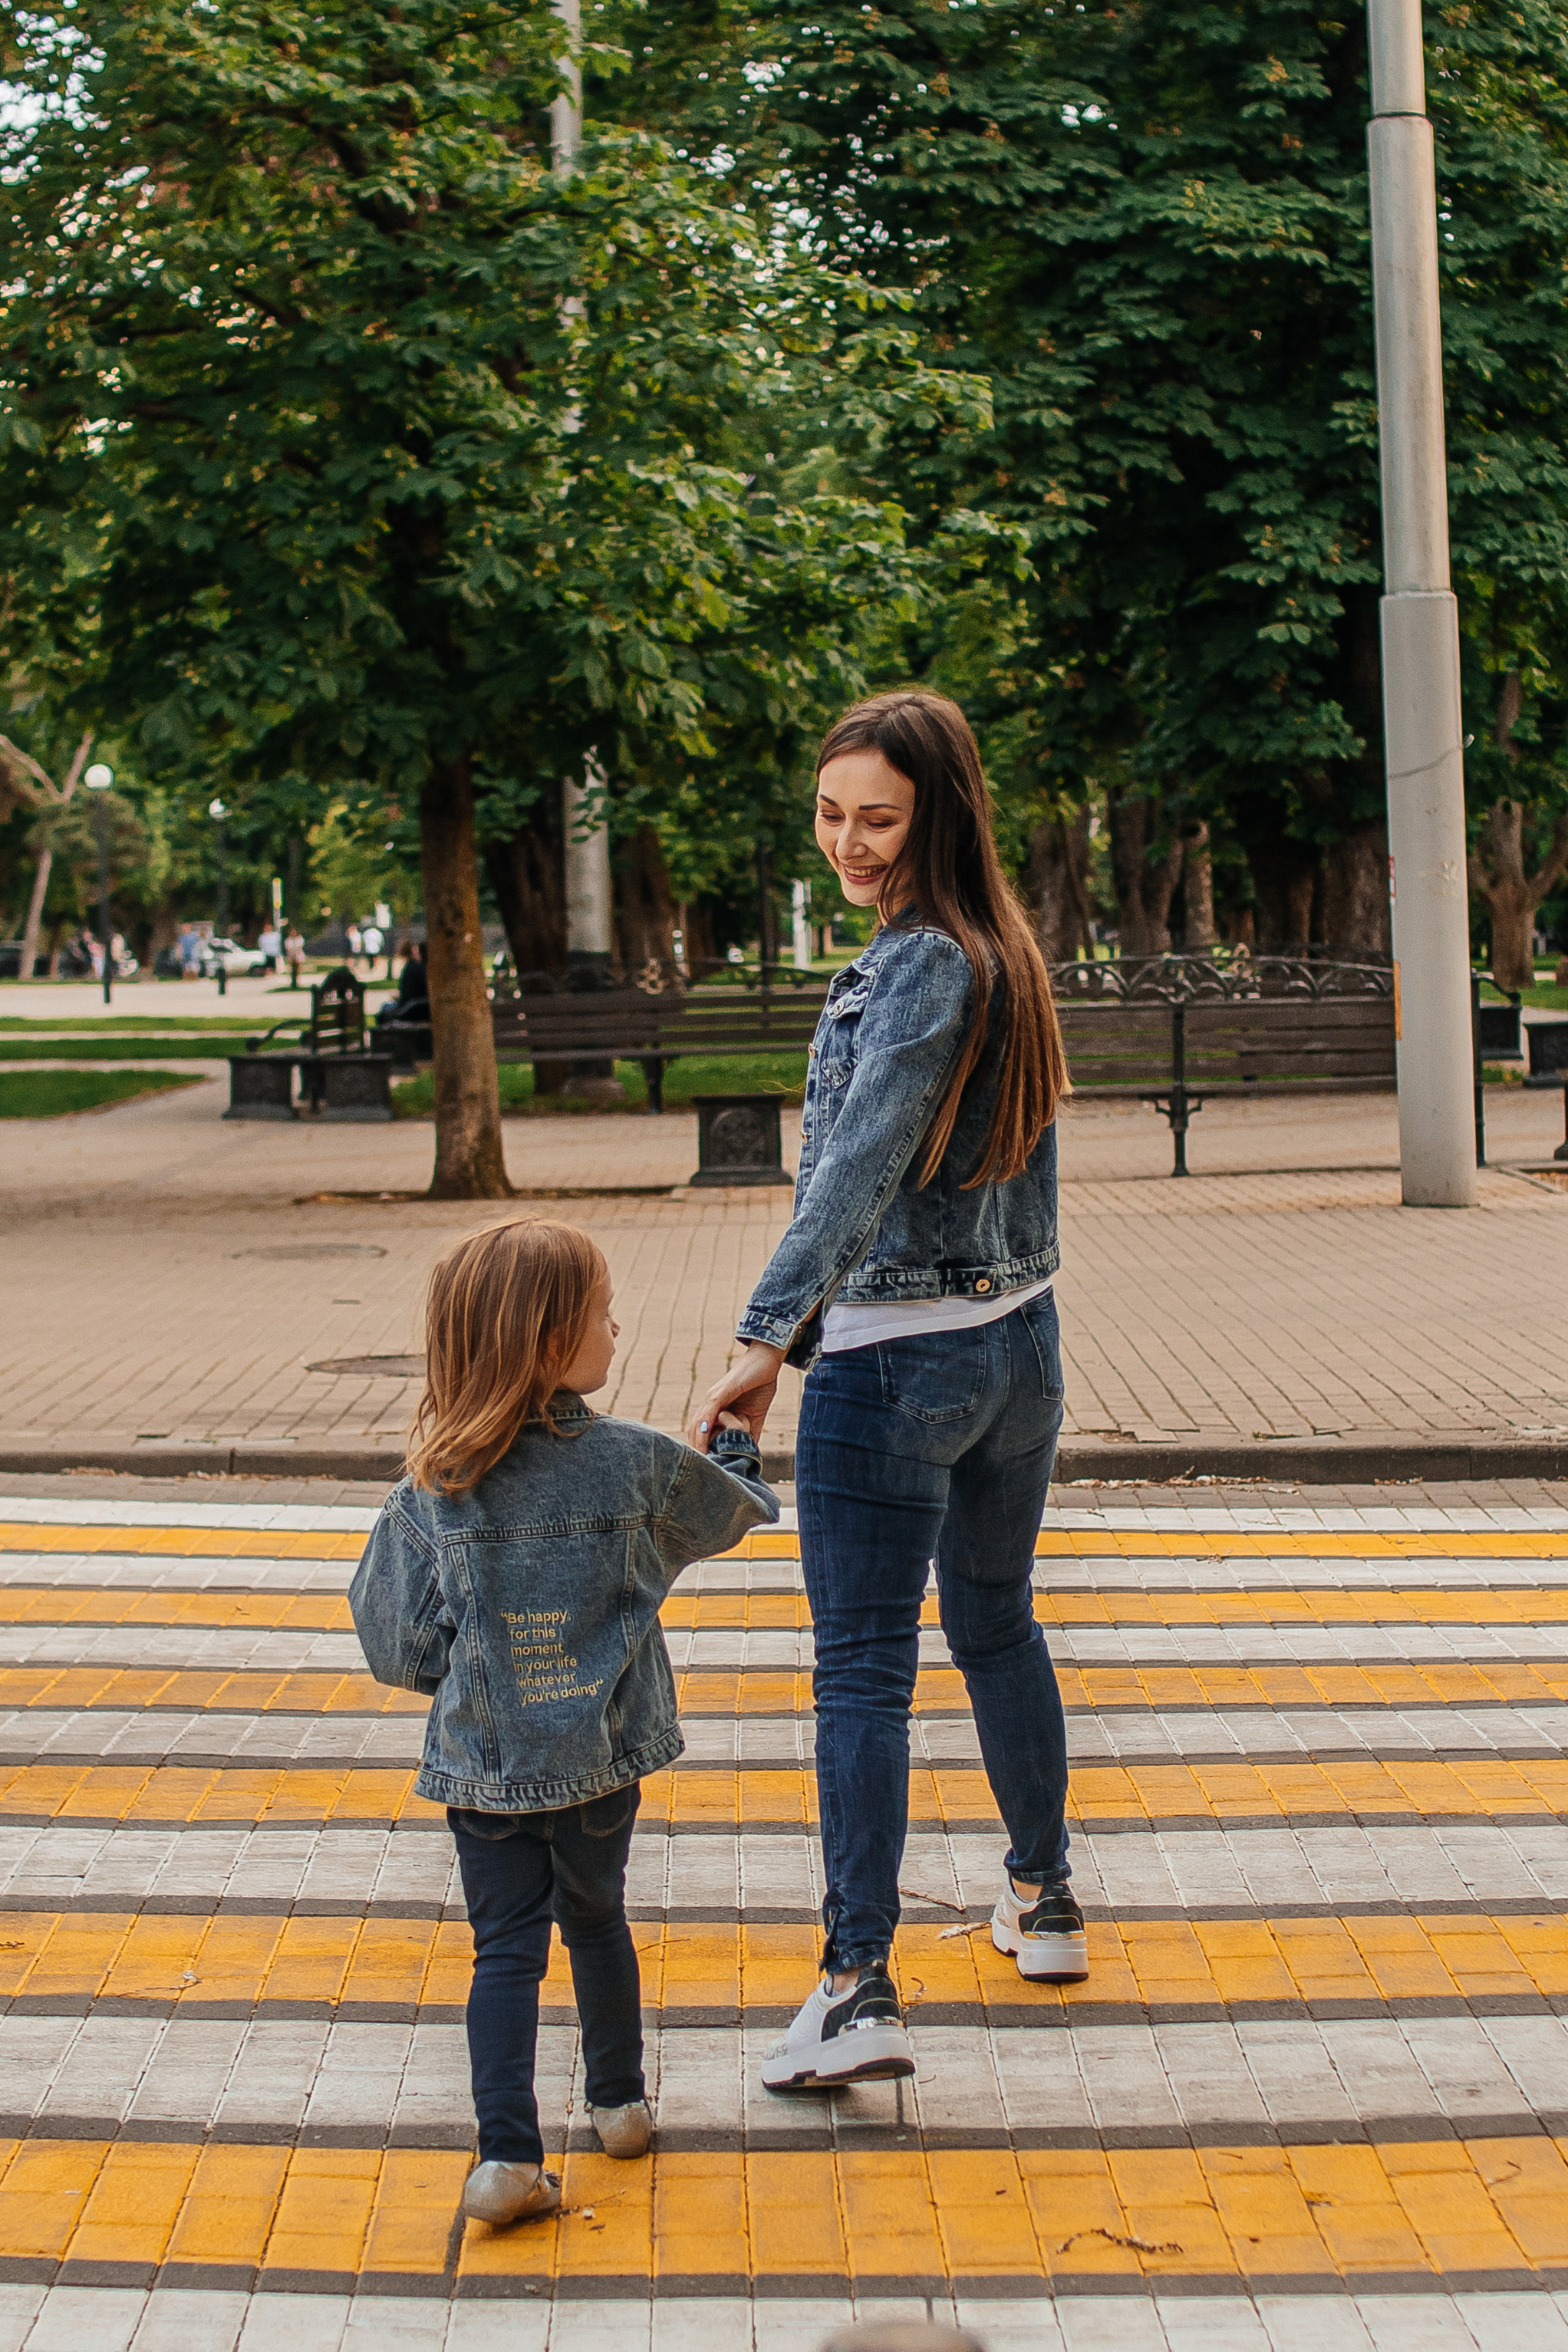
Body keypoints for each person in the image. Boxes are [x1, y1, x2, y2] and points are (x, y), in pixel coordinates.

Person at [690, 688, 1079, 2096]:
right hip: (1016, 1346)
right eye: (832, 814)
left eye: (878, 819)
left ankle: (856, 1984)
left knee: (863, 1664)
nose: (847, 843)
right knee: (995, 1623)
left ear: (941, 815)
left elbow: (857, 1164)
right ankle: (1042, 1899)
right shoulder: (1007, 950)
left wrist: (763, 1338)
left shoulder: (924, 965)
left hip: (889, 1357)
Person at [350, 1217, 774, 2229]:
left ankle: (506, 2156)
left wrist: (458, 1683)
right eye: (601, 1314)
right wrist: (742, 1445)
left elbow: (392, 1638)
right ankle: (619, 2103)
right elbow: (731, 1510)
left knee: (504, 1951)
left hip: (484, 1776)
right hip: (600, 1764)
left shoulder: (434, 1486)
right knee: (596, 1919)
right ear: (548, 1342)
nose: (618, 1329)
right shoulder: (629, 1466)